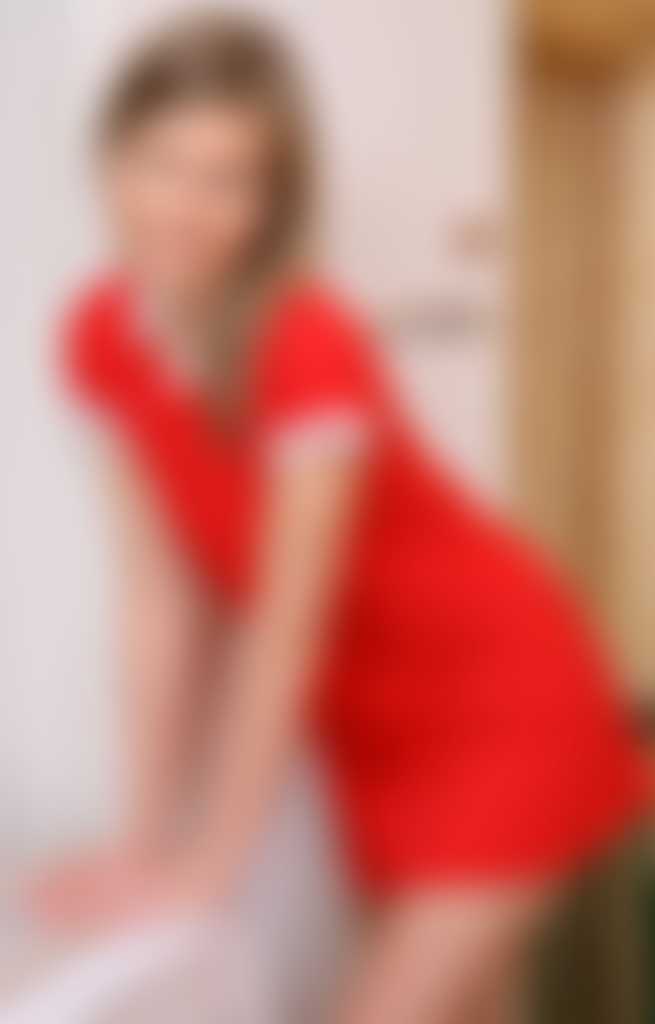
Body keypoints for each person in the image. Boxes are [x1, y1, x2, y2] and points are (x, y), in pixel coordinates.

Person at [32, 11, 649, 1022]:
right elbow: (165, 604)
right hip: (378, 739)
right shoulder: (101, 335)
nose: (184, 208)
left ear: (270, 203)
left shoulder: (305, 343)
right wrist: (143, 844)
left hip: (501, 703)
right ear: (111, 158)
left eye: (227, 179)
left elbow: (285, 627)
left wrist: (206, 871)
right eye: (161, 163)